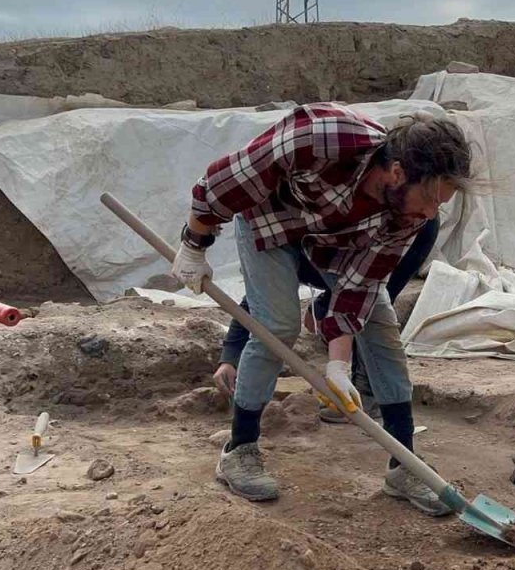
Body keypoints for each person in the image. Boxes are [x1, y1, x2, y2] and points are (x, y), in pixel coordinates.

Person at [170, 103, 471, 516]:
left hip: (336, 244)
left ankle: (405, 466)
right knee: (277, 325)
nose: (432, 214)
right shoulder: (320, 139)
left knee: (381, 325)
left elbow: (359, 286)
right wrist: (194, 244)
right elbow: (220, 185)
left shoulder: (409, 213)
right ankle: (239, 451)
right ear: (398, 172)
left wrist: (339, 366)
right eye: (431, 198)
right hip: (271, 225)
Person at [213, 215, 439, 423]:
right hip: (339, 245)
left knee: (374, 315)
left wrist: (323, 311)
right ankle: (244, 437)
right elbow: (258, 300)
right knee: (285, 321)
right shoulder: (280, 247)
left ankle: (368, 396)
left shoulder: (334, 237)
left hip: (408, 233)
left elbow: (362, 291)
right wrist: (230, 358)